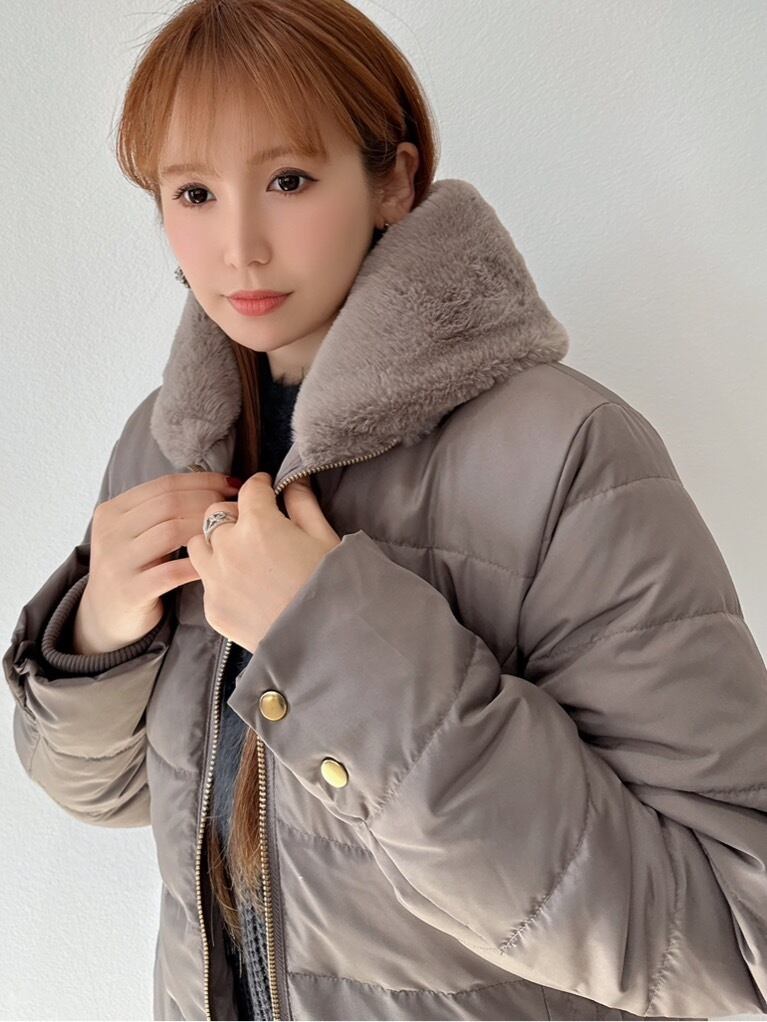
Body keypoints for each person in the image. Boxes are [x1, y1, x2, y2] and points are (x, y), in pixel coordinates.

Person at [5, 1, 767, 1020]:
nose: (238, 247)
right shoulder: (165, 443)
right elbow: (117, 793)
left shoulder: (565, 452)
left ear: (394, 180)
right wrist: (99, 636)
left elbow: (733, 931)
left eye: (287, 180)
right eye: (193, 192)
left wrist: (336, 649)